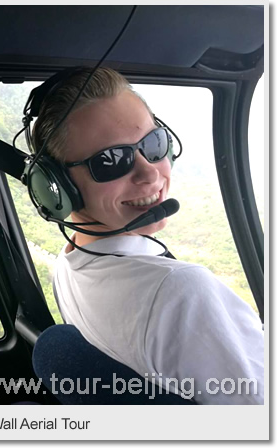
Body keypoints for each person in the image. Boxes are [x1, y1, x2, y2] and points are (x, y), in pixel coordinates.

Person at [29, 67, 264, 404]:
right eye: (110, 161)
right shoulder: (182, 293)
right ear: (58, 189)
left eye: (153, 143)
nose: (151, 172)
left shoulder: (68, 266)